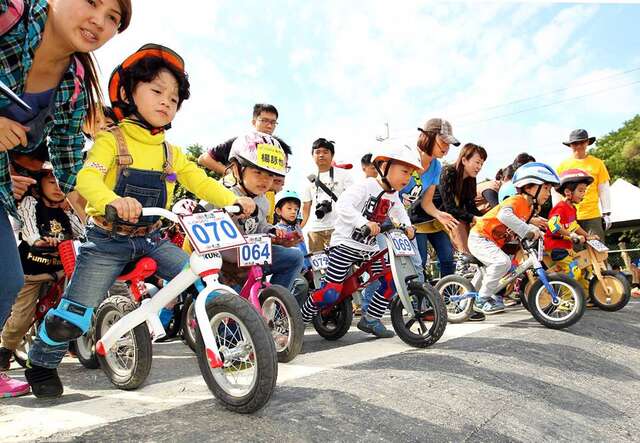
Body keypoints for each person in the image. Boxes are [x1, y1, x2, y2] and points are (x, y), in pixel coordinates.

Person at [23, 44, 256, 398]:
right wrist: (113, 200)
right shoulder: (109, 140)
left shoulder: (170, 151)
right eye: (157, 91)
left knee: (204, 277)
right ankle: (41, 362)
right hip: (107, 240)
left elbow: (199, 180)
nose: (167, 102)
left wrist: (234, 199)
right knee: (73, 315)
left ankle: (228, 341)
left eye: (175, 98)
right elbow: (88, 179)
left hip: (152, 237)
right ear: (131, 93)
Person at [0, 0, 131, 398]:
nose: (100, 21)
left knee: (6, 282)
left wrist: (108, 220)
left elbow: (71, 165)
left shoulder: (74, 83)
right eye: (92, 2)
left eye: (114, 18)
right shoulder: (10, 14)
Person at [300, 143, 420, 338]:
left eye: (410, 174)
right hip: (345, 245)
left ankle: (371, 318)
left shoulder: (393, 195)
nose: (407, 178)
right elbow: (343, 206)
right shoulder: (366, 186)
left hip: (368, 248)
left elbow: (400, 212)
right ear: (383, 166)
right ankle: (299, 320)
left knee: (391, 282)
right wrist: (364, 222)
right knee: (331, 292)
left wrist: (408, 227)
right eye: (404, 171)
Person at [0, 164, 84, 385]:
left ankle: (75, 342)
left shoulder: (66, 211)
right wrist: (37, 240)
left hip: (59, 271)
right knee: (21, 318)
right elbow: (28, 229)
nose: (57, 187)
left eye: (60, 182)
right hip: (32, 273)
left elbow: (82, 231)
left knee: (77, 303)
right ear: (38, 187)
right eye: (51, 182)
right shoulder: (31, 204)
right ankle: (5, 349)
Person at [469, 162, 560, 314]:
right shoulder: (517, 200)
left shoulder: (529, 208)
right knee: (502, 262)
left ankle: (470, 302)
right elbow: (504, 215)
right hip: (480, 237)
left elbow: (523, 225)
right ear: (529, 187)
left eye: (549, 189)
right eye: (545, 188)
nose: (548, 193)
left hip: (491, 241)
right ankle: (481, 300)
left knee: (504, 266)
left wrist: (538, 232)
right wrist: (528, 231)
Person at [216, 132, 304, 291]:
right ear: (236, 168)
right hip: (223, 267)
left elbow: (260, 226)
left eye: (270, 174)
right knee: (237, 308)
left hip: (249, 259)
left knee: (295, 256)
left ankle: (273, 305)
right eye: (257, 172)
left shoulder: (263, 200)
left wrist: (274, 233)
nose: (265, 180)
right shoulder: (219, 192)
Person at [403, 118, 459, 278]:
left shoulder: (436, 166)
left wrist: (439, 214)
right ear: (428, 137)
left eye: (449, 144)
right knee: (414, 263)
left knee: (419, 267)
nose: (447, 148)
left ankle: (421, 302)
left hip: (403, 218)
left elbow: (427, 203)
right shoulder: (407, 155)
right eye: (443, 142)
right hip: (391, 214)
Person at [197, 104, 292, 175]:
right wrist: (231, 174)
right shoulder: (240, 142)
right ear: (254, 122)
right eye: (264, 120)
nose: (269, 125)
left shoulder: (276, 148)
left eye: (273, 122)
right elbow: (203, 159)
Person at [544, 169, 598, 288]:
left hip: (567, 248)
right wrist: (572, 235)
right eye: (580, 190)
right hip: (556, 247)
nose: (583, 194)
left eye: (584, 191)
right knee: (573, 271)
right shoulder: (560, 208)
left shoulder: (572, 208)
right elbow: (553, 226)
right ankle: (565, 301)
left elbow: (574, 225)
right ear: (568, 192)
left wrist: (587, 236)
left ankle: (586, 296)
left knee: (585, 268)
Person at [556, 129, 611, 243]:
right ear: (570, 145)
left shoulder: (597, 163)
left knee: (598, 251)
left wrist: (606, 212)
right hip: (569, 215)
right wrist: (557, 213)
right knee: (575, 253)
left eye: (582, 142)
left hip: (592, 214)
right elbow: (556, 192)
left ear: (587, 143)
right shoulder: (562, 166)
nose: (579, 146)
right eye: (575, 143)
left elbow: (604, 188)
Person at [301, 138, 354, 252]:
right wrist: (300, 227)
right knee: (318, 266)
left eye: (325, 152)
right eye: (318, 152)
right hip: (315, 230)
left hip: (339, 228)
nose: (321, 155)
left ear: (332, 155)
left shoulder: (344, 175)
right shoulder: (309, 178)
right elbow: (306, 206)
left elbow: (352, 200)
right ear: (312, 155)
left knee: (342, 265)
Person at [438, 143, 487, 253]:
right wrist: (474, 218)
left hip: (451, 220)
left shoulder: (471, 179)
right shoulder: (448, 172)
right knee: (464, 253)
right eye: (477, 162)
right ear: (464, 160)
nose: (479, 167)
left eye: (482, 164)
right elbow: (449, 207)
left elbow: (471, 207)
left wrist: (486, 219)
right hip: (429, 218)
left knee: (449, 259)